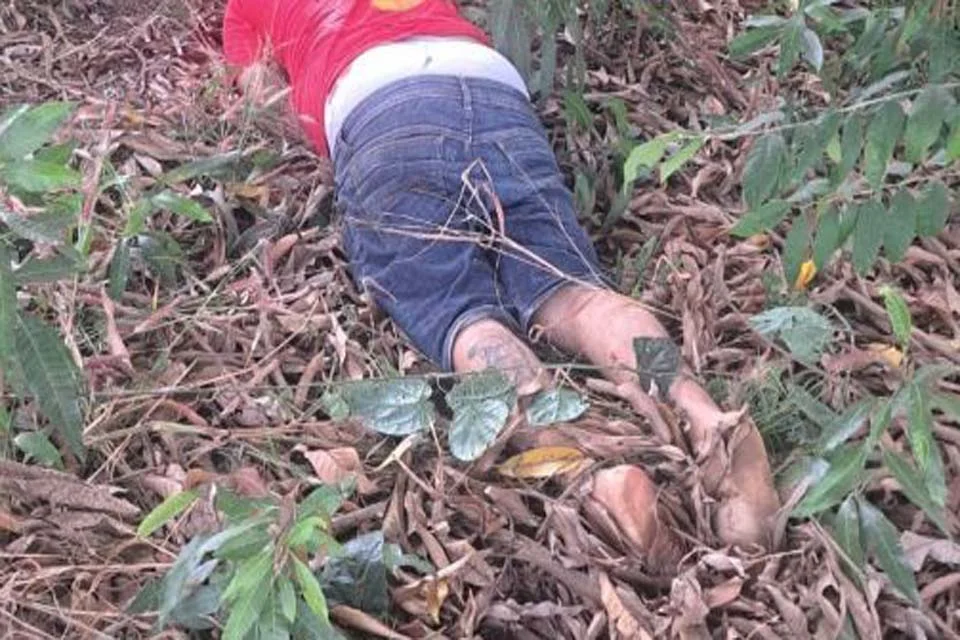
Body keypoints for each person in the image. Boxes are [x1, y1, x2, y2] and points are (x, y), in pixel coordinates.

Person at [221, 0, 781, 554]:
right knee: (578, 296)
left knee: (460, 314)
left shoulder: (244, 9)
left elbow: (269, 104)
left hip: (376, 103)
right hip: (489, 86)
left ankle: (589, 475)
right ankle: (707, 417)